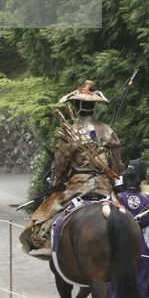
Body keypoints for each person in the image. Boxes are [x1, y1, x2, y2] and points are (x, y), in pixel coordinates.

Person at [20, 80, 122, 258]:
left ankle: (43, 242)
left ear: (75, 107)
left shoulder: (70, 132)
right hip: (105, 187)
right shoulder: (108, 131)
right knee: (125, 213)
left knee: (45, 215)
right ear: (93, 107)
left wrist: (57, 182)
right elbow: (116, 165)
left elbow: (60, 165)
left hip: (77, 186)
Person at [107, 165, 149, 298]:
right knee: (140, 269)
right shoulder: (144, 200)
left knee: (118, 268)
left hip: (119, 238)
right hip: (139, 239)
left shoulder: (117, 199)